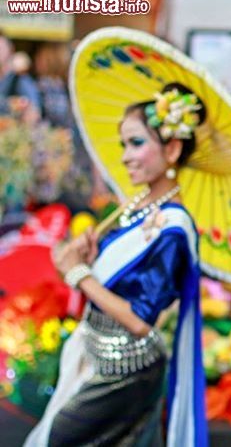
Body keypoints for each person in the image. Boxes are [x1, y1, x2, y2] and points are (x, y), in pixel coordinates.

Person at [25, 82, 208, 446]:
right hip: (96, 352)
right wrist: (91, 259)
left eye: (137, 143)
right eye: (124, 144)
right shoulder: (135, 208)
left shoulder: (173, 227)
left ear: (172, 148)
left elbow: (140, 320)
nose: (126, 156)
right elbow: (121, 281)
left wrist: (79, 275)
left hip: (127, 368)